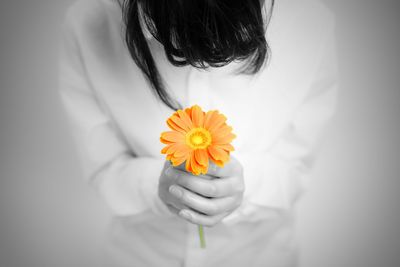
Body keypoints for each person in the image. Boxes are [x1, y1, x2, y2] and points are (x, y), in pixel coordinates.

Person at [58, 0, 338, 266]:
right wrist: (156, 187)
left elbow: (296, 168)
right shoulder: (89, 22)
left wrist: (243, 187)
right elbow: (105, 169)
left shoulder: (309, 22)